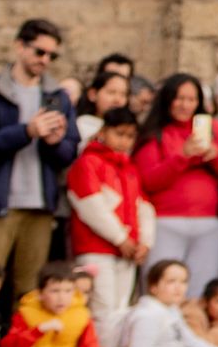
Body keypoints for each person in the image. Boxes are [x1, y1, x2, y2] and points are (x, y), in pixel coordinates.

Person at [0, 19, 80, 303]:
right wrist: (26, 132)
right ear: (19, 46)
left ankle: (22, 344)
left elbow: (69, 154)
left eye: (52, 56)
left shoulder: (57, 96)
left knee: (29, 290)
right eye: (40, 52)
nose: (45, 60)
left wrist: (54, 143)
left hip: (39, 206)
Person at [134, 73, 218, 297]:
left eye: (191, 99)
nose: (185, 105)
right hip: (166, 222)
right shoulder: (156, 133)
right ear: (167, 100)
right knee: (161, 287)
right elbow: (148, 181)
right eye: (179, 98)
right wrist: (182, 156)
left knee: (200, 290)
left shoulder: (213, 128)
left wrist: (214, 155)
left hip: (209, 224)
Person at [0, 260, 134, 347]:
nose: (61, 297)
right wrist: (38, 330)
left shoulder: (80, 314)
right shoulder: (26, 312)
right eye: (55, 291)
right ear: (40, 293)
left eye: (68, 291)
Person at [65, 106, 153, 318]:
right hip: (96, 248)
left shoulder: (130, 168)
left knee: (121, 309)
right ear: (103, 132)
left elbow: (144, 206)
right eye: (119, 134)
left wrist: (145, 242)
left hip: (128, 250)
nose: (124, 141)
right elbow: (91, 206)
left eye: (130, 136)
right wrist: (120, 238)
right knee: (101, 308)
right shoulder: (88, 163)